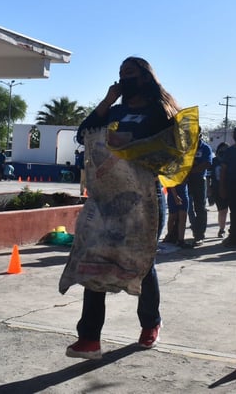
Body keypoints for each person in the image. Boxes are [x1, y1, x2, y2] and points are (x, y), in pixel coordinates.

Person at [65, 56, 180, 360]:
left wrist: (124, 140)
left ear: (145, 77)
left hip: (146, 195)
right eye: (120, 73)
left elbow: (168, 147)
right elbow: (85, 133)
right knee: (96, 259)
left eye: (129, 73)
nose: (123, 77)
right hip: (109, 194)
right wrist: (108, 100)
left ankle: (150, 323)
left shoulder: (161, 111)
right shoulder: (116, 110)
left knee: (142, 262)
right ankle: (89, 338)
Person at [187, 133, 213, 245]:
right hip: (186, 181)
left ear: (200, 135)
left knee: (200, 208)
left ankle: (199, 234)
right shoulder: (186, 147)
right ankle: (194, 229)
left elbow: (207, 163)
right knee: (188, 208)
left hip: (199, 181)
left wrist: (193, 170)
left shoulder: (205, 148)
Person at [162, 182, 193, 248]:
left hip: (183, 191)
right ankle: (169, 235)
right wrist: (175, 195)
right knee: (172, 216)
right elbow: (170, 182)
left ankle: (181, 239)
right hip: (172, 193)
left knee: (183, 217)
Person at [210, 142, 229, 238]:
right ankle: (222, 229)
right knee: (222, 210)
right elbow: (209, 176)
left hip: (231, 188)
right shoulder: (214, 161)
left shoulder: (232, 161)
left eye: (226, 150)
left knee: (233, 211)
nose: (223, 153)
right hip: (217, 189)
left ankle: (234, 229)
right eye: (221, 151)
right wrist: (209, 190)